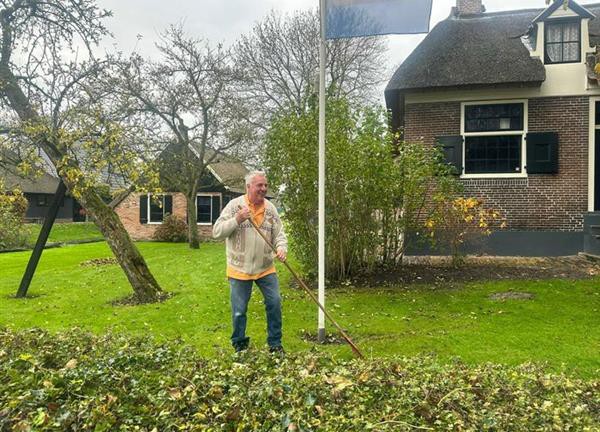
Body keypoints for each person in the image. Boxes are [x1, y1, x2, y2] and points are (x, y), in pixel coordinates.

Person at [213, 170, 287, 353]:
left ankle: (275, 344)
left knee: (275, 303)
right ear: (248, 187)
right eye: (259, 185)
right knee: (239, 311)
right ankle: (239, 346)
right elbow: (217, 232)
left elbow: (279, 235)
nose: (263, 189)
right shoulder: (234, 207)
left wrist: (281, 248)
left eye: (265, 185)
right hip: (239, 269)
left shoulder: (270, 209)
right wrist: (237, 219)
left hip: (265, 267)